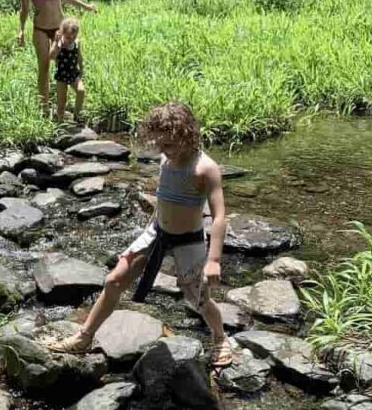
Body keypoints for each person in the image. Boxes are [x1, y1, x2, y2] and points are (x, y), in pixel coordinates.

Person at [48, 101, 234, 367]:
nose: (161, 150)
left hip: (187, 240)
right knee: (114, 280)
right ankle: (84, 336)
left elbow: (218, 217)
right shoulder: (166, 159)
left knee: (199, 298)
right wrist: (143, 237)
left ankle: (219, 337)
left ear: (186, 134)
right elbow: (162, 201)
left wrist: (213, 259)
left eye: (167, 144)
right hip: (156, 233)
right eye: (158, 144)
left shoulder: (205, 168)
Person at [18, 0, 96, 115]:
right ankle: (44, 108)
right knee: (44, 67)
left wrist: (86, 6)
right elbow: (25, 7)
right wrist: (21, 30)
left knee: (65, 65)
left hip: (59, 27)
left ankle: (62, 108)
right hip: (40, 28)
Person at [49, 17, 85, 122]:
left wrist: (81, 68)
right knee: (61, 101)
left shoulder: (77, 43)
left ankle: (76, 115)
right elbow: (51, 56)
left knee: (81, 90)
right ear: (63, 33)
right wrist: (55, 42)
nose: (71, 39)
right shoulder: (60, 43)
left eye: (74, 37)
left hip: (74, 73)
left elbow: (79, 56)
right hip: (62, 75)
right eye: (69, 37)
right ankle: (60, 120)